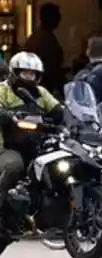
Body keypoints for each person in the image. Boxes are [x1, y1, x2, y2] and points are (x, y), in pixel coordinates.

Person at [0, 52, 64, 215]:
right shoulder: (3, 90)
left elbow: (57, 109)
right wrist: (8, 115)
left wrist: (68, 117)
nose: (30, 77)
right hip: (7, 145)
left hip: (37, 145)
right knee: (13, 166)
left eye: (33, 74)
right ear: (14, 72)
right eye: (25, 73)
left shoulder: (41, 92)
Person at [24, 3, 65, 95]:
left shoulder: (37, 36)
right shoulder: (45, 39)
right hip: (42, 89)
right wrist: (64, 89)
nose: (60, 19)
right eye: (57, 15)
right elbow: (52, 69)